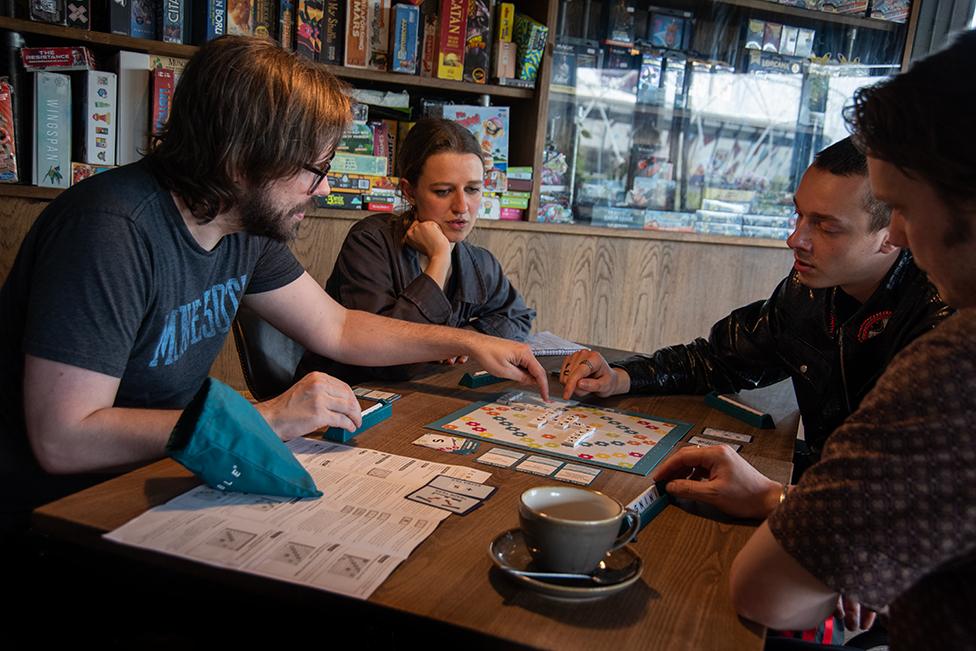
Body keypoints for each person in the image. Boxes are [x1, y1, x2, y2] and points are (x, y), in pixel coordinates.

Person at [0, 36, 547, 540]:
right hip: (60, 513)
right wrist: (265, 417)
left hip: (165, 476)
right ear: (242, 161)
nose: (325, 186)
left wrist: (468, 341)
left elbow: (338, 326)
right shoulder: (111, 229)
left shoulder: (240, 223)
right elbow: (64, 440)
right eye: (316, 167)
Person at [652, 30, 976, 650]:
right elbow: (723, 355)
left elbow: (765, 589)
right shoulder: (807, 294)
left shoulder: (954, 353)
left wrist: (789, 506)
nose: (902, 234)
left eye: (902, 206)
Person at [560, 137, 950, 476]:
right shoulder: (807, 291)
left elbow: (916, 496)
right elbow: (720, 359)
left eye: (826, 227)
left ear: (892, 233)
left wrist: (771, 498)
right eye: (798, 215)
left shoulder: (941, 324)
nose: (795, 239)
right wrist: (620, 378)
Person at [298, 118, 535, 383]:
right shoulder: (369, 242)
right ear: (409, 191)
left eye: (472, 189)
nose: (462, 206)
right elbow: (384, 357)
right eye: (443, 191)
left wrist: (467, 340)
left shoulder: (479, 262)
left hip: (425, 397)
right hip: (348, 401)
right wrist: (439, 259)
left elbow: (518, 317)